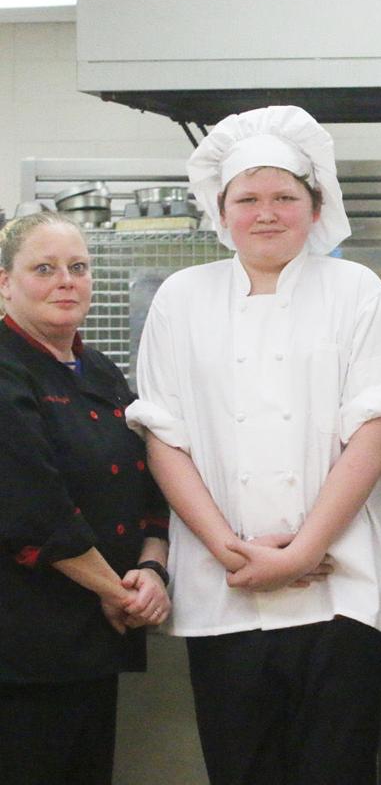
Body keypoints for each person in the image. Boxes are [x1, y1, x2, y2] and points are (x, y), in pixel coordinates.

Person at [126, 106, 381, 785]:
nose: (266, 213)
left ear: (316, 208)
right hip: (223, 587)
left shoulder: (356, 291)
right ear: (220, 210)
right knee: (241, 767)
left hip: (337, 586)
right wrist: (235, 551)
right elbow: (165, 438)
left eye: (285, 197)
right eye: (247, 199)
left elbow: (373, 431)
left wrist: (304, 551)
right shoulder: (181, 298)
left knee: (337, 767)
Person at [0, 212, 170, 785]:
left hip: (93, 642)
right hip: (21, 649)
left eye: (78, 267)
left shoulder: (96, 368)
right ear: (5, 282)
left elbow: (148, 484)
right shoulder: (5, 370)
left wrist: (152, 567)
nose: (65, 281)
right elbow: (31, 509)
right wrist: (118, 591)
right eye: (43, 269)